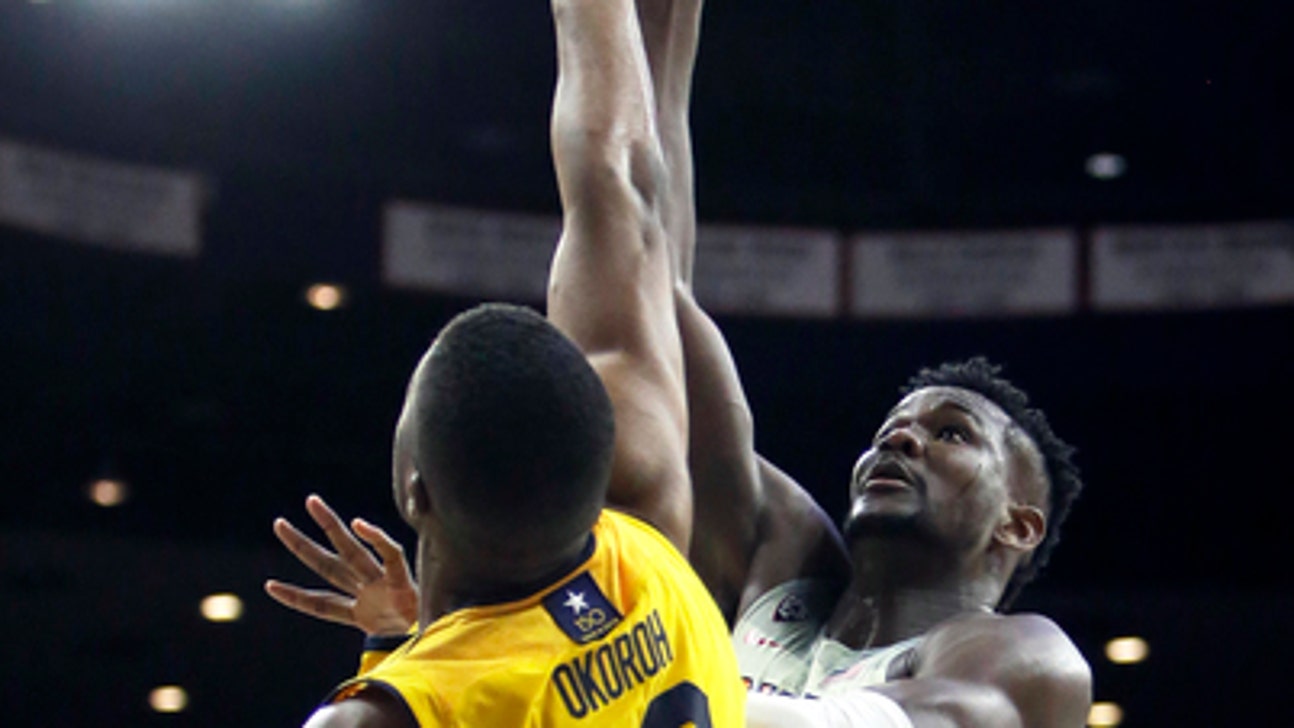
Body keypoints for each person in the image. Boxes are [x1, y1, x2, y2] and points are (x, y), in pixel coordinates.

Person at [272, 0, 1095, 724]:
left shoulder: (1027, 660)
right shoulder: (788, 563)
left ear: (1016, 523)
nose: (902, 441)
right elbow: (647, 278)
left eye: (950, 434)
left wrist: (551, 664)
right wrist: (479, 639)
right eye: (894, 428)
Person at [266, 0, 747, 724]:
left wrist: (405, 649)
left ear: (416, 492)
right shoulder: (646, 547)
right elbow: (622, 180)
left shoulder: (392, 715)